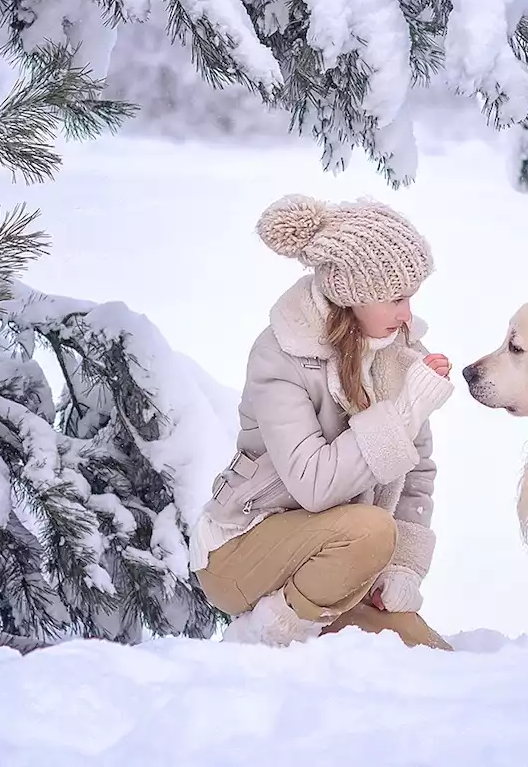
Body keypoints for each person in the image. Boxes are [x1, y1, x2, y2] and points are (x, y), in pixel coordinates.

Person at [188, 193, 457, 649]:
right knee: (371, 531)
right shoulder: (279, 355)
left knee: (427, 653)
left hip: (333, 553)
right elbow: (314, 484)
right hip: (240, 549)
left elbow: (416, 475)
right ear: (354, 295)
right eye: (396, 298)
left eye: (411, 297)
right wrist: (406, 410)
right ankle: (266, 635)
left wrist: (404, 569)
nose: (407, 314)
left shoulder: (395, 355)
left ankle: (308, 614)